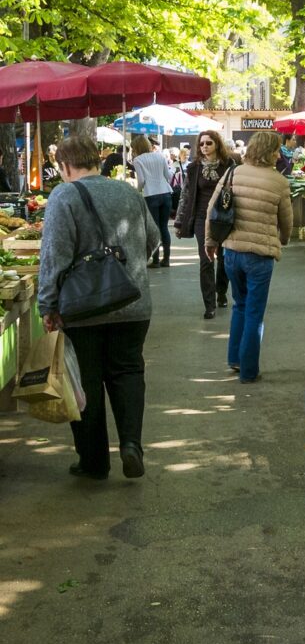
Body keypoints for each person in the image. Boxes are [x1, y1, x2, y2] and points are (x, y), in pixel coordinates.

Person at [37, 136, 160, 481]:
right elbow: (153, 239)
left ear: (64, 165)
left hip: (83, 308)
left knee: (85, 382)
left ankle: (93, 461)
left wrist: (47, 304)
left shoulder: (64, 196)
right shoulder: (128, 192)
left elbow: (55, 256)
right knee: (128, 372)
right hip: (133, 302)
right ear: (97, 160)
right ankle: (131, 445)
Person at [205, 131, 293, 382]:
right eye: (277, 150)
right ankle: (249, 371)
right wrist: (283, 239)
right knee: (254, 312)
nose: (279, 155)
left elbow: (213, 209)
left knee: (240, 305)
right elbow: (286, 221)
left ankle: (235, 359)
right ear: (270, 152)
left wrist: (210, 242)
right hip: (260, 256)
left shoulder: (233, 173)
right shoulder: (279, 182)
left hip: (232, 252)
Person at [174, 131, 234, 318]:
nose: (205, 146)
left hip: (223, 217)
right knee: (206, 260)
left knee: (224, 259)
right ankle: (209, 305)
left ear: (217, 144)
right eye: (201, 144)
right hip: (201, 218)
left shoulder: (229, 165)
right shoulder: (194, 168)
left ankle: (221, 291)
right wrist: (179, 221)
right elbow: (185, 195)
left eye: (209, 143)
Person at [131, 135, 173, 268]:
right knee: (164, 227)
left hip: (150, 194)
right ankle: (166, 259)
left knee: (154, 228)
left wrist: (137, 191)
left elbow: (141, 180)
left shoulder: (138, 160)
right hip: (166, 193)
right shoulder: (160, 156)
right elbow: (168, 176)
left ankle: (156, 260)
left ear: (136, 148)